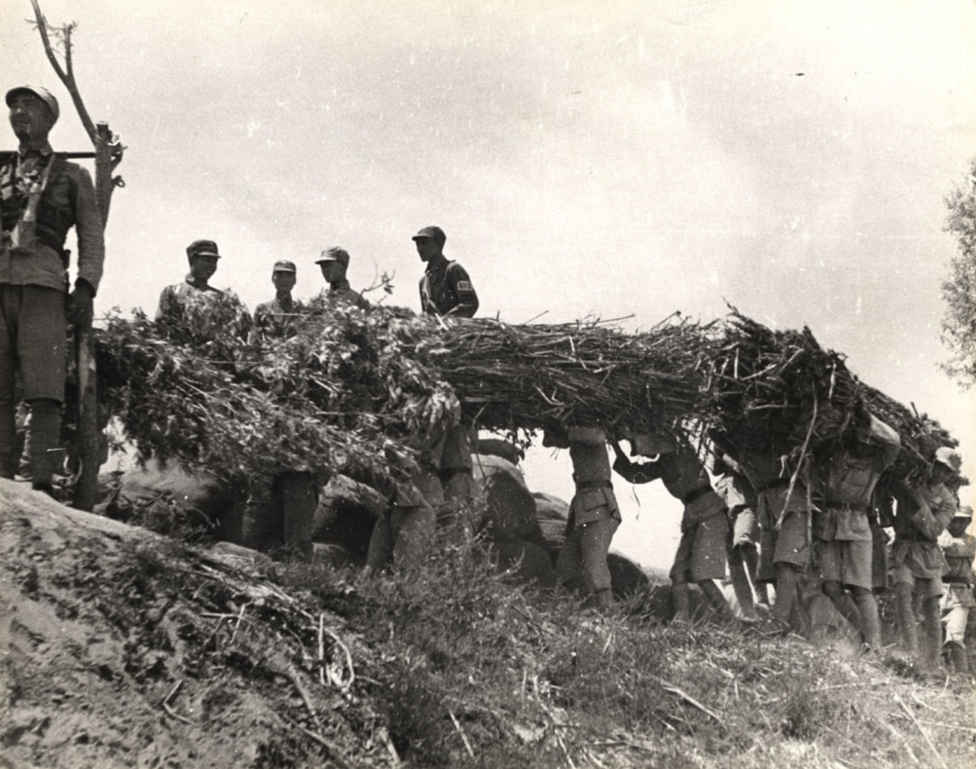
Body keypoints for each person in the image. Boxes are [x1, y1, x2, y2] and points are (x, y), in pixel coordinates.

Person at [1, 85, 105, 495]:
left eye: (29, 104)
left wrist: (85, 287)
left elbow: (91, 237)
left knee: (44, 390)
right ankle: (4, 486)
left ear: (49, 117)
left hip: (44, 285)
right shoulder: (2, 170)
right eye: (13, 106)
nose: (19, 111)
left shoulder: (71, 174)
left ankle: (40, 482)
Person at [613, 433, 734, 623]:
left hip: (710, 512)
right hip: (693, 516)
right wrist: (615, 444)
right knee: (678, 573)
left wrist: (636, 436)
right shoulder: (662, 464)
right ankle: (681, 625)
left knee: (702, 575)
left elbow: (668, 440)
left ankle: (730, 621)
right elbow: (632, 474)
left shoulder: (682, 450)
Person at [812, 405, 900, 653]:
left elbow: (894, 441)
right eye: (860, 441)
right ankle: (865, 635)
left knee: (861, 588)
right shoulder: (836, 454)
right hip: (828, 522)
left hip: (858, 524)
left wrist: (866, 416)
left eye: (870, 443)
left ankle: (874, 646)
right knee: (831, 586)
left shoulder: (877, 463)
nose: (864, 447)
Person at [888, 447, 960, 671]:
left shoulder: (949, 500)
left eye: (945, 471)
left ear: (951, 475)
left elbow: (935, 530)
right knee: (902, 594)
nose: (939, 473)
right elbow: (886, 486)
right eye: (937, 466)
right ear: (931, 464)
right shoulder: (911, 480)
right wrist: (889, 517)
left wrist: (919, 501)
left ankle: (933, 664)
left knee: (931, 608)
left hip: (928, 554)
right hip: (904, 549)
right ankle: (911, 653)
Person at [544, 423, 620, 610]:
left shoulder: (592, 431)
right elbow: (549, 441)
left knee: (595, 567)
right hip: (582, 509)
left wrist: (567, 429)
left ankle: (610, 619)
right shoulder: (576, 436)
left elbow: (599, 435)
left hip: (598, 507)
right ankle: (587, 611)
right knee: (565, 568)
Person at [713, 454, 768, 621]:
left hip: (746, 504)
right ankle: (748, 613)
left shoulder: (741, 446)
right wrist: (717, 449)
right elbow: (716, 469)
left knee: (745, 545)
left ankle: (762, 600)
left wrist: (724, 451)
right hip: (724, 505)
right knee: (733, 560)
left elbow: (740, 468)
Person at [939, 505, 975, 675]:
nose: (957, 524)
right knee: (936, 639)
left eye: (962, 521)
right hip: (938, 591)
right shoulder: (940, 537)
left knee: (954, 636)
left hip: (960, 595)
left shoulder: (971, 541)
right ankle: (942, 675)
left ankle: (962, 677)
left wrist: (939, 537)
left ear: (969, 522)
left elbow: (955, 548)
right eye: (953, 520)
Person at [413, 226, 478, 318]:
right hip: (434, 331)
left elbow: (470, 303)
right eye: (418, 244)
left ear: (438, 244)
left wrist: (446, 321)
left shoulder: (453, 270)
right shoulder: (424, 282)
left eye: (424, 243)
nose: (420, 248)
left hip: (455, 330)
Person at [156, 239, 225, 321]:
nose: (211, 266)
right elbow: (160, 326)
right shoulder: (172, 292)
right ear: (193, 260)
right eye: (207, 260)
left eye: (214, 262)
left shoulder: (220, 297)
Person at [251, 260, 303, 341]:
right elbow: (254, 342)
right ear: (273, 279)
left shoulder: (301, 311)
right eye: (279, 275)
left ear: (294, 280)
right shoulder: (262, 309)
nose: (284, 279)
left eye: (289, 275)